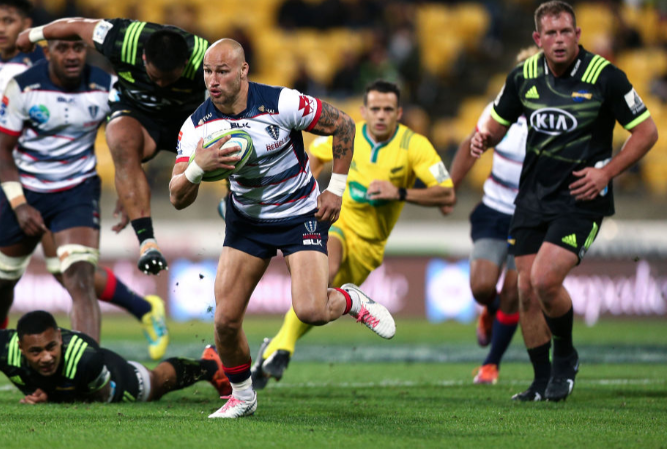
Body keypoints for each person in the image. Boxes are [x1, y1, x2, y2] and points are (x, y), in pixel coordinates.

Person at [169, 39, 396, 418]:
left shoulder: (281, 103)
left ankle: (351, 300)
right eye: (208, 72)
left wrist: (335, 190)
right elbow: (177, 197)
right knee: (225, 321)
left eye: (222, 71)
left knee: (310, 309)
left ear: (243, 71)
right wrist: (198, 165)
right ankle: (242, 397)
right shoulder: (196, 127)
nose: (213, 80)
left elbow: (343, 125)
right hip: (247, 220)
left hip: (299, 214)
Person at [0, 0, 168, 388]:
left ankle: (85, 371)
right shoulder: (22, 86)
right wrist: (20, 205)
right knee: (0, 281)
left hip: (76, 192)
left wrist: (131, 196)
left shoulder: (107, 88)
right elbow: (2, 153)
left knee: (77, 276)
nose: (73, 55)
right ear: (47, 51)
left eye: (79, 47)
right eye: (63, 48)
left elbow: (132, 137)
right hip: (26, 189)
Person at [472, 0, 658, 401]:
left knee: (543, 279)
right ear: (538, 40)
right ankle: (540, 382)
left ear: (577, 35)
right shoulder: (523, 76)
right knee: (525, 291)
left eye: (566, 32)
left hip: (581, 197)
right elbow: (497, 124)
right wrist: (483, 137)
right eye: (551, 34)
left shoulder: (605, 77)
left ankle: (566, 357)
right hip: (533, 197)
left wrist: (606, 173)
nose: (559, 40)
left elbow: (647, 132)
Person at [251, 80, 454, 389]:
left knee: (317, 301)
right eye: (375, 109)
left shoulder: (414, 145)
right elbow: (314, 157)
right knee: (325, 273)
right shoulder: (349, 135)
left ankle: (277, 348)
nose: (381, 115)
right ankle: (283, 351)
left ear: (399, 113)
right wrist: (309, 190)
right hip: (337, 225)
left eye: (388, 109)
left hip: (370, 248)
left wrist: (399, 192)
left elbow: (447, 193)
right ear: (364, 111)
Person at [16, 15, 210, 276]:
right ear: (143, 59)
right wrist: (33, 34)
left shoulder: (206, 58)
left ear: (185, 63)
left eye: (169, 80)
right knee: (119, 139)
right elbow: (75, 26)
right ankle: (147, 243)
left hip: (188, 121)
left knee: (227, 143)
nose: (162, 85)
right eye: (156, 77)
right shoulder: (122, 39)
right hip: (138, 113)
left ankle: (234, 198)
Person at [441, 47, 540, 386]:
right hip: (495, 209)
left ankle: (491, 364)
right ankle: (490, 309)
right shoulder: (500, 110)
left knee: (515, 291)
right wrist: (450, 187)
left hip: (532, 218)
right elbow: (472, 144)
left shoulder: (557, 118)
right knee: (482, 287)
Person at [0, 310, 229, 404]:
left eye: (51, 347)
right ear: (20, 346)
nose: (45, 358)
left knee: (155, 383)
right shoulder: (4, 346)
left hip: (109, 381)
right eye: (35, 351)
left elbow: (99, 396)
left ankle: (209, 365)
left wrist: (49, 396)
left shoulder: (85, 356)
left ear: (59, 336)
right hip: (64, 386)